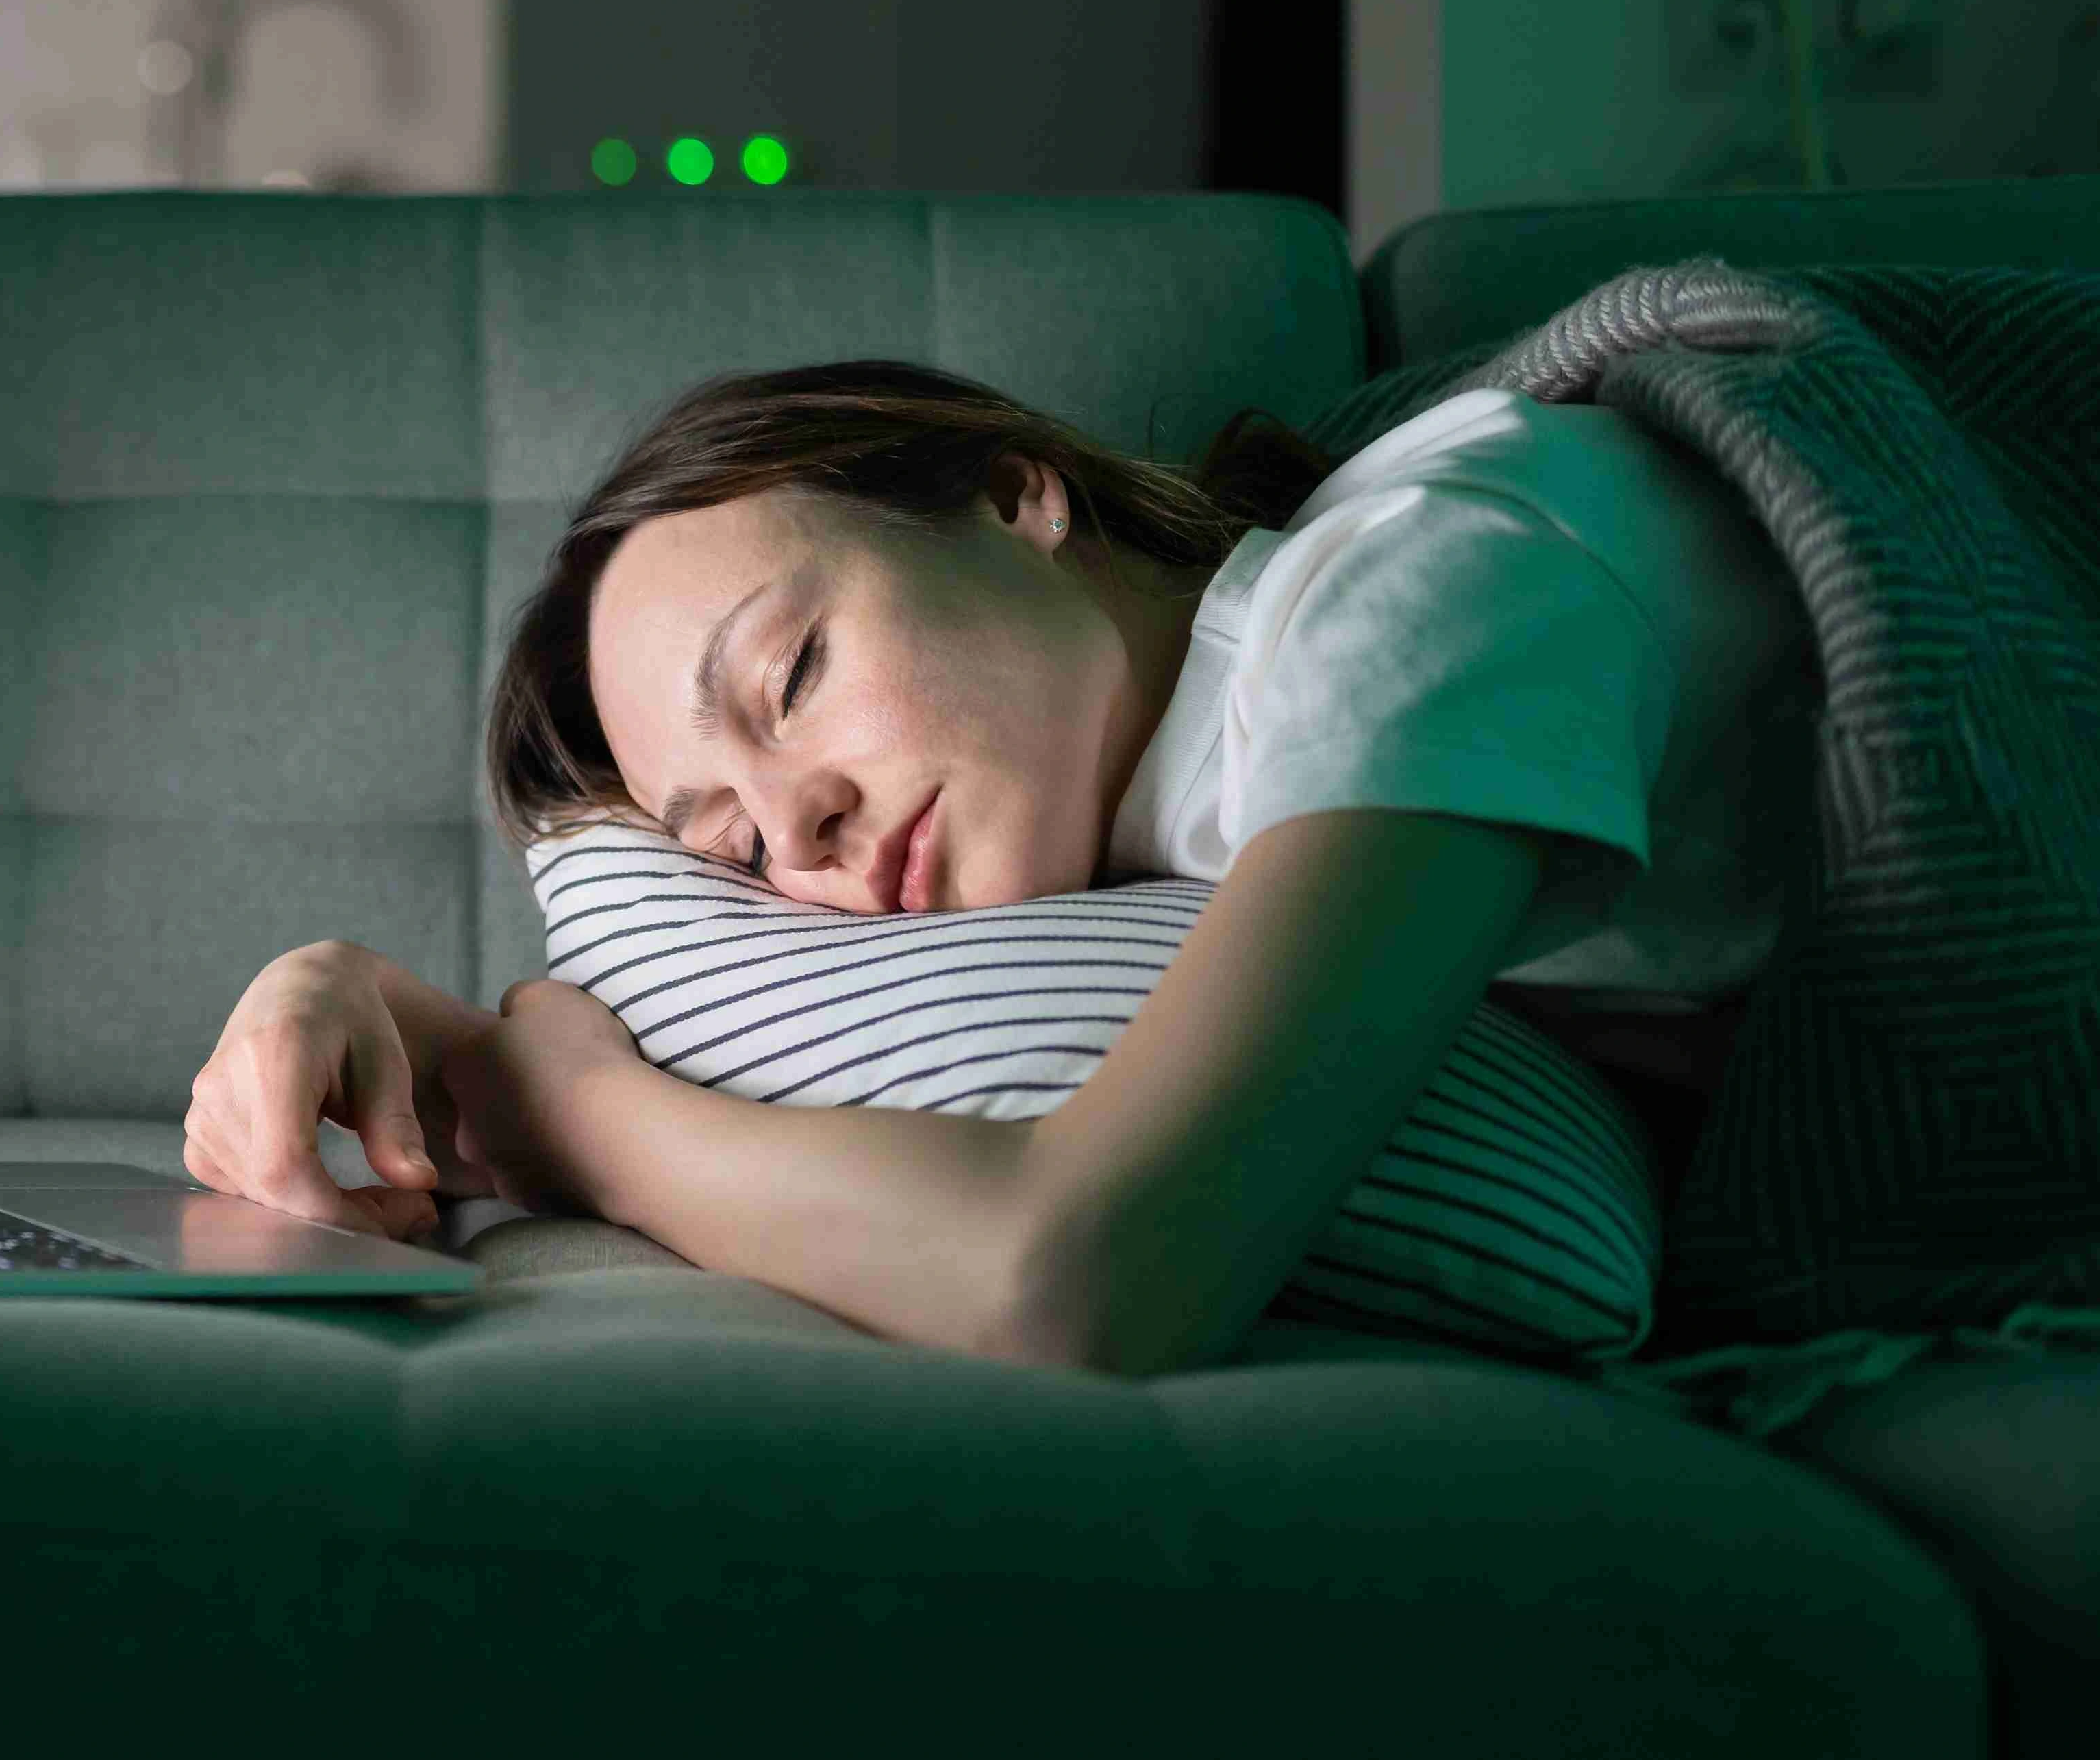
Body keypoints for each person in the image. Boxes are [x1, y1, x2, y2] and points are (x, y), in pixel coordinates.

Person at [179, 358, 1818, 1374]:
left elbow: (1087, 1276)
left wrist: (575, 1118)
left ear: (1015, 498)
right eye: (731, 844)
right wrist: (362, 999)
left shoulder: (1417, 597)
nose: (799, 832)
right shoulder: (1147, 804)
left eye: (793, 676)